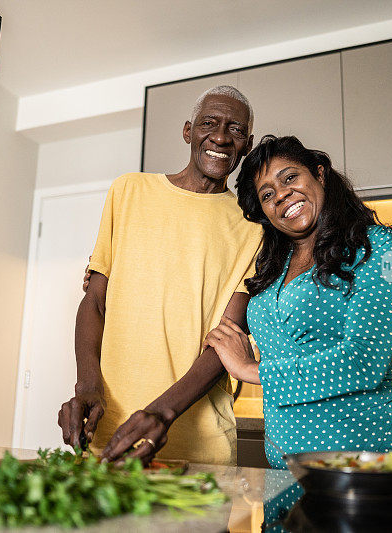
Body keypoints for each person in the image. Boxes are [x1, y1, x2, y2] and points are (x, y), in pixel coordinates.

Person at [57, 86, 263, 465]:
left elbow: (226, 338)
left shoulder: (255, 228)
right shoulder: (129, 191)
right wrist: (87, 386)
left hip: (199, 445)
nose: (220, 137)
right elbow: (95, 300)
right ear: (188, 131)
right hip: (109, 433)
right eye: (209, 123)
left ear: (246, 144)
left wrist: (160, 413)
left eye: (234, 130)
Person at [204, 135, 392, 468]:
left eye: (289, 178)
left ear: (319, 174)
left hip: (366, 460)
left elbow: (364, 362)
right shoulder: (269, 267)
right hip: (287, 466)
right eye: (267, 194)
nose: (281, 195)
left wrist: (251, 370)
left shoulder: (380, 247)